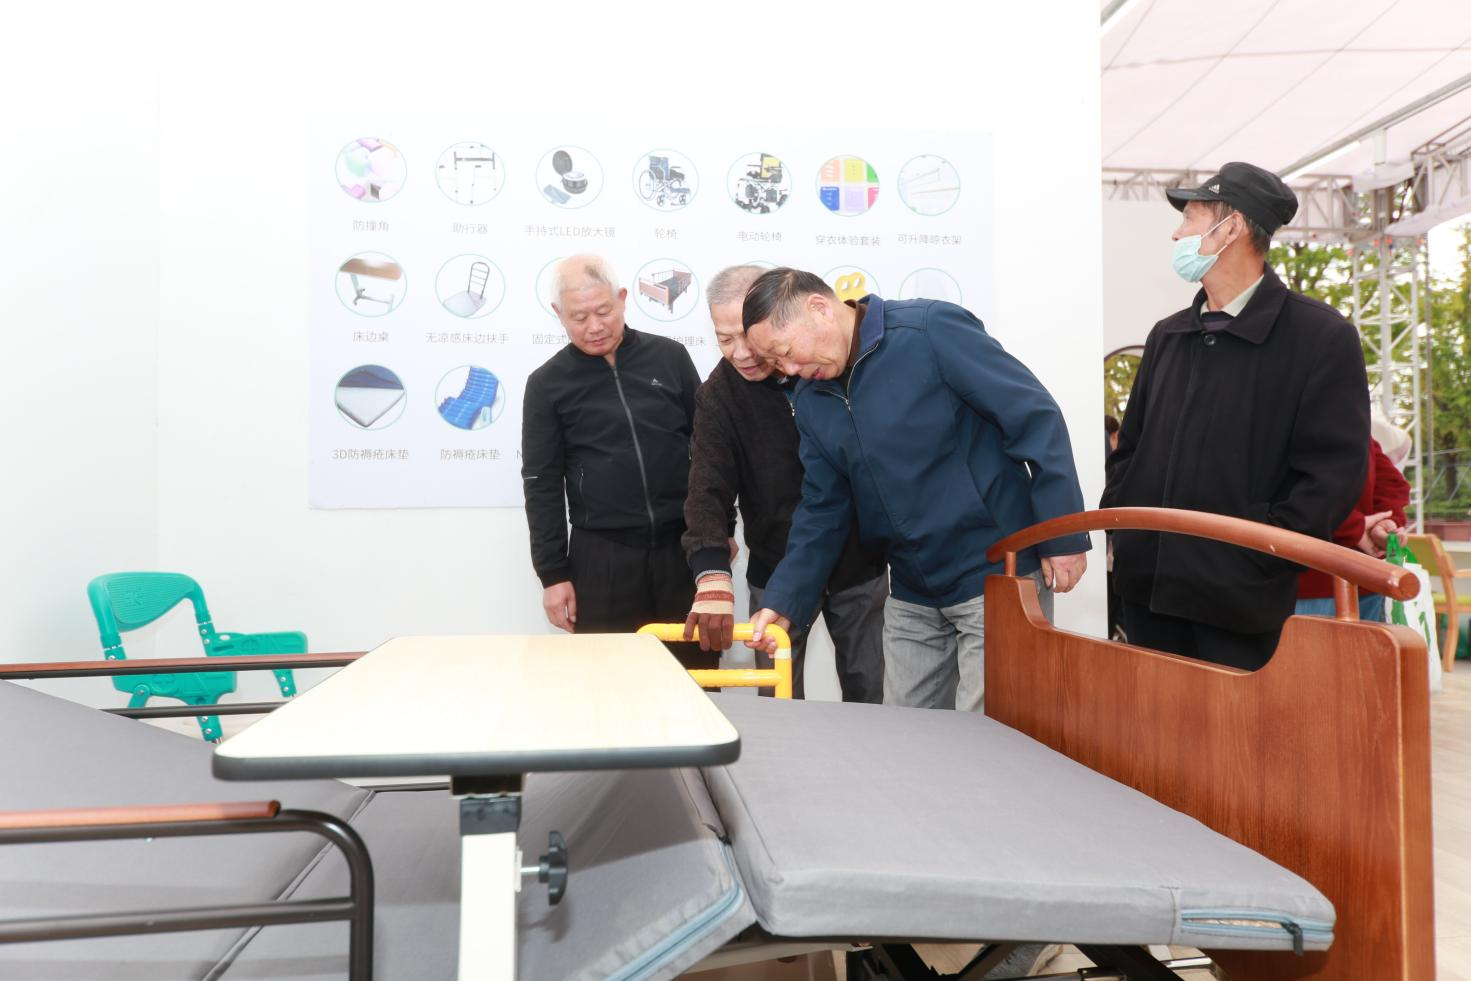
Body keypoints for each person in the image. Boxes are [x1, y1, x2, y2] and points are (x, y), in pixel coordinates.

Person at [742, 268, 1090, 712]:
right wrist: (785, 599)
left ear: (819, 309)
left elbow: (1034, 417)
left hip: (995, 573)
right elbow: (823, 508)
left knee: (989, 733)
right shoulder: (812, 400)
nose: (790, 370)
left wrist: (1062, 534)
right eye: (777, 365)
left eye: (787, 352)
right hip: (911, 587)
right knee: (905, 735)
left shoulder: (929, 331)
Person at [1102, 162, 1370, 669]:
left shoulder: (1320, 337)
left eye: (1191, 218)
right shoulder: (1168, 335)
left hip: (1239, 604)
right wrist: (1127, 530)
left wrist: (1262, 553)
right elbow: (1130, 450)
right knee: (1148, 721)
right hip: (1145, 595)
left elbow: (1332, 475)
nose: (1177, 234)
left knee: (1234, 723)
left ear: (1233, 228)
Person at [681, 265, 886, 701]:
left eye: (748, 335)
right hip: (774, 573)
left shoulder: (824, 366)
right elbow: (707, 489)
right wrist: (711, 571)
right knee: (778, 704)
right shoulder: (717, 396)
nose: (742, 352)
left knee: (873, 695)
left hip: (857, 567)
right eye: (724, 339)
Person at [521, 254, 703, 648]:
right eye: (579, 317)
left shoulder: (670, 357)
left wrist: (717, 530)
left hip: (682, 548)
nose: (594, 326)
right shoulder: (547, 384)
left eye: (603, 311)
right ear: (558, 313)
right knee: (607, 675)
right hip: (601, 557)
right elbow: (541, 482)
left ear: (622, 299)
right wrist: (552, 574)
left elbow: (709, 450)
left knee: (693, 671)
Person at [1295, 438, 1409, 622]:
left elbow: (1391, 483)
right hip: (1315, 579)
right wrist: (1359, 527)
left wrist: (1385, 522)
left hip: (1358, 577)